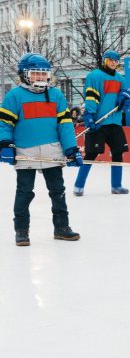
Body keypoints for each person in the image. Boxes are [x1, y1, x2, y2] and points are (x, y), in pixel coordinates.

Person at [0, 53, 83, 246]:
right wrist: (5, 144)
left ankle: (62, 227)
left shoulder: (56, 95)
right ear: (24, 74)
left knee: (58, 191)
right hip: (25, 153)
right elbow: (5, 124)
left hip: (52, 152)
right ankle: (21, 231)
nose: (40, 78)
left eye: (43, 74)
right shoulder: (14, 96)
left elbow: (65, 125)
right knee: (24, 192)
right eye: (35, 74)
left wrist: (71, 149)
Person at [73, 50, 130, 196]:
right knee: (91, 154)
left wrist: (125, 99)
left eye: (116, 60)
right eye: (111, 60)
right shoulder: (95, 76)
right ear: (105, 60)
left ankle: (116, 186)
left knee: (118, 153)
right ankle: (78, 186)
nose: (113, 62)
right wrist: (89, 116)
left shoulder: (121, 79)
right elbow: (91, 98)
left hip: (115, 121)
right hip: (98, 122)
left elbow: (125, 97)